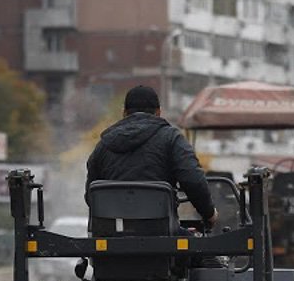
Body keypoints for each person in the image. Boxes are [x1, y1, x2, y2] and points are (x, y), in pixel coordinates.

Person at [85, 85, 217, 228]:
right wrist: (209, 214)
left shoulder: (103, 145)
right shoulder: (171, 139)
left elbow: (91, 196)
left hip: (112, 236)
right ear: (159, 112)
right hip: (163, 235)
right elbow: (193, 181)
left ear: (124, 113)